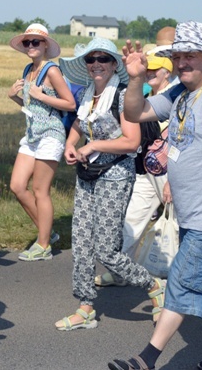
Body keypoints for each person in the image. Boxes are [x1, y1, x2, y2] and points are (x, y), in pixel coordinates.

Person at [109, 21, 202, 370]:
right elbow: (135, 112)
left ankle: (145, 361)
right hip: (191, 213)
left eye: (190, 56)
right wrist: (134, 78)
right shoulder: (179, 93)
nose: (182, 62)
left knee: (181, 283)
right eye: (177, 56)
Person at [55, 37, 165, 331]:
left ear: (115, 64)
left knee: (106, 250)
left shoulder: (121, 95)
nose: (96, 65)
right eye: (91, 59)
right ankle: (85, 307)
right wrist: (71, 144)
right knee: (80, 242)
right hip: (89, 172)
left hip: (116, 173)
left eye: (103, 59)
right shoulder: (88, 93)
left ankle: (154, 285)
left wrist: (93, 146)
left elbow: (131, 142)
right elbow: (79, 123)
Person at [95, 55, 175, 290]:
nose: (149, 73)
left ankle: (177, 280)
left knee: (176, 225)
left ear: (167, 72)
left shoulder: (174, 97)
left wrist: (173, 181)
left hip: (168, 173)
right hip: (145, 171)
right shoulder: (145, 95)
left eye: (154, 70)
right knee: (130, 222)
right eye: (147, 69)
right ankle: (121, 271)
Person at [7, 23, 75, 261]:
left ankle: (44, 244)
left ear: (46, 45)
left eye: (36, 42)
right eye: (27, 42)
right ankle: (48, 232)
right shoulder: (28, 69)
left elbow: (70, 104)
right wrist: (15, 96)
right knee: (17, 186)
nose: (31, 46)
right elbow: (32, 107)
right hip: (33, 134)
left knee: (40, 190)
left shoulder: (52, 71)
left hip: (51, 134)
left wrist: (42, 95)